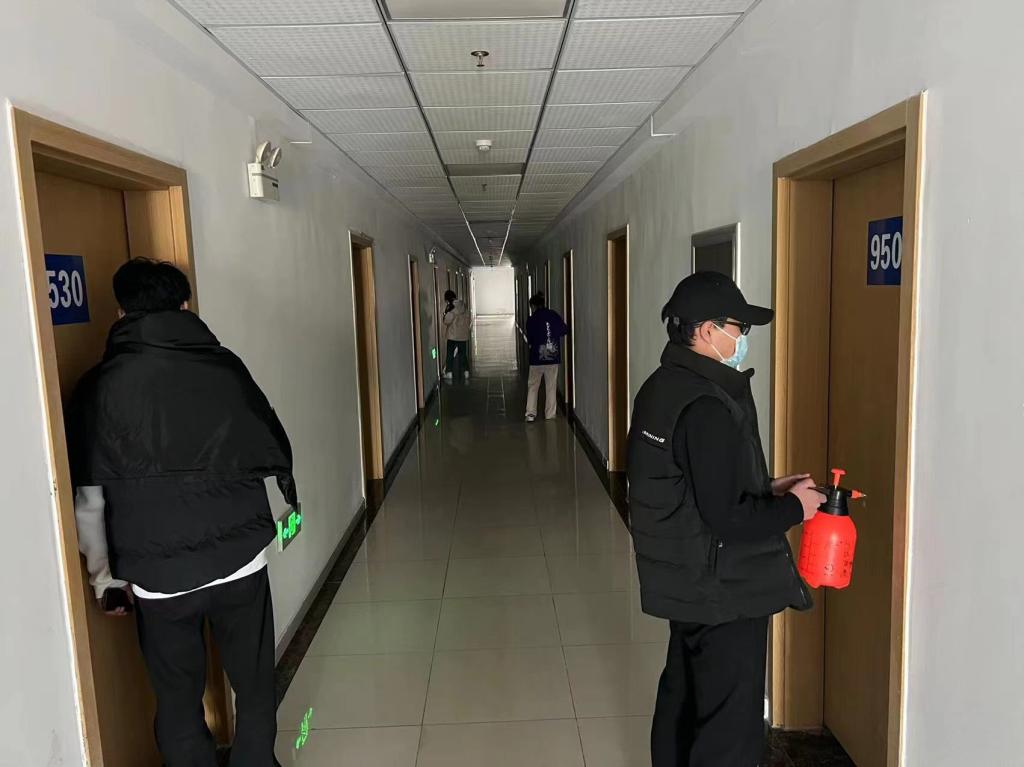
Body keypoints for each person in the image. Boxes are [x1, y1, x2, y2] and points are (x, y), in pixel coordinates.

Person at [66, 258, 297, 767]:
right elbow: (264, 437)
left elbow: (90, 496)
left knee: (176, 698)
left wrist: (104, 578)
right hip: (239, 560)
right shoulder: (225, 369)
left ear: (121, 312)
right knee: (254, 683)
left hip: (158, 576)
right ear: (186, 306)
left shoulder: (98, 388)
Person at [626, 271, 824, 767]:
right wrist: (795, 508)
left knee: (683, 695)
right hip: (723, 589)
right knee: (729, 726)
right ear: (707, 330)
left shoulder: (661, 388)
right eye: (739, 327)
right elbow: (729, 519)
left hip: (684, 577)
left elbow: (690, 480)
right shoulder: (706, 405)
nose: (743, 338)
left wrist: (768, 488)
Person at [524, 292, 568, 422]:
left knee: (533, 386)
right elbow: (564, 330)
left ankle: (530, 414)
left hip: (536, 358)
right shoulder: (553, 315)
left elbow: (530, 339)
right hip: (552, 357)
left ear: (533, 306)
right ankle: (550, 414)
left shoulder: (531, 320)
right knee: (551, 387)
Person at [442, 288, 472, 380]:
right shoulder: (463, 306)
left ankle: (449, 373)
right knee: (463, 354)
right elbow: (468, 319)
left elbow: (447, 321)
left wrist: (445, 314)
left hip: (452, 335)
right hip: (463, 335)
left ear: (448, 299)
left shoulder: (451, 307)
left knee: (450, 354)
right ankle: (466, 372)